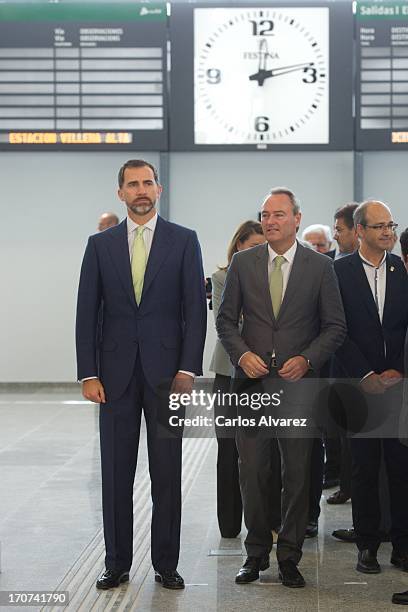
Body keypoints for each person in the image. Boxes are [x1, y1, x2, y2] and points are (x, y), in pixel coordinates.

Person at [76, 159, 207, 590]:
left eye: (147, 182)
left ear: (159, 188)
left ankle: (166, 563)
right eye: (132, 184)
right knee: (115, 472)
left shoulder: (184, 241)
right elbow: (86, 313)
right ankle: (116, 563)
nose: (141, 190)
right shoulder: (100, 245)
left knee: (167, 473)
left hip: (168, 375)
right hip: (113, 377)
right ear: (120, 193)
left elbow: (194, 310)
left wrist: (188, 367)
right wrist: (88, 373)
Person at [217, 187, 346, 588]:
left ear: (296, 219)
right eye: (265, 214)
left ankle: (289, 556)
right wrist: (241, 354)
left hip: (298, 384)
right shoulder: (243, 263)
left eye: (278, 215)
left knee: (297, 473)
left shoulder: (319, 266)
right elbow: (225, 321)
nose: (270, 221)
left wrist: (307, 359)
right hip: (252, 384)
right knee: (253, 470)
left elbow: (335, 327)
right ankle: (255, 554)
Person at [334, 200, 408, 575]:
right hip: (358, 384)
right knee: (363, 467)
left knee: (400, 466)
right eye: (378, 226)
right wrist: (366, 374)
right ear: (359, 230)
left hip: (398, 384)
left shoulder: (402, 270)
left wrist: (399, 370)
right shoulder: (338, 271)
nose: (387, 233)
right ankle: (367, 546)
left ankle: (401, 545)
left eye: (390, 226)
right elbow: (335, 329)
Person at [210, 221, 267, 538]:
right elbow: (226, 323)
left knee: (263, 451)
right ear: (237, 247)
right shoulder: (221, 278)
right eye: (251, 247)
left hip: (267, 372)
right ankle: (229, 523)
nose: (257, 254)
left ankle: (264, 521)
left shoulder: (275, 281)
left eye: (263, 248)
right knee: (229, 446)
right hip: (229, 372)